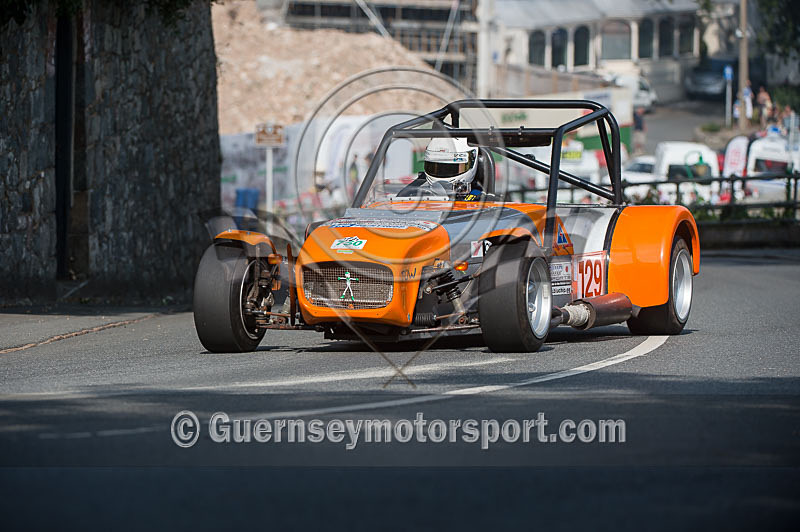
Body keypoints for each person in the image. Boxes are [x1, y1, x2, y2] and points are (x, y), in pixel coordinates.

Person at [398, 137, 484, 200]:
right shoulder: (416, 193)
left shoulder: (479, 197)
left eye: (450, 169)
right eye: (436, 168)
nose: (443, 172)